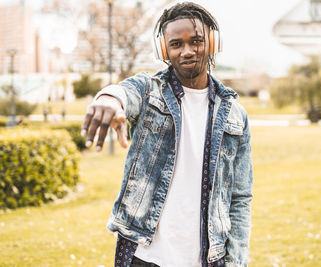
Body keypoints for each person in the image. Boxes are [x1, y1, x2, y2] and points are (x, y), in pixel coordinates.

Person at [81, 2, 253, 267]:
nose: (187, 51)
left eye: (196, 41)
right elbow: (125, 92)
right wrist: (109, 98)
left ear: (213, 42)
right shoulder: (149, 92)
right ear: (164, 49)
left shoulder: (235, 115)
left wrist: (237, 261)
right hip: (146, 257)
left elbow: (239, 199)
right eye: (176, 44)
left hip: (209, 259)